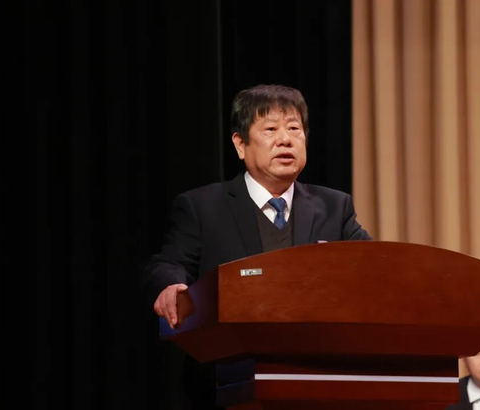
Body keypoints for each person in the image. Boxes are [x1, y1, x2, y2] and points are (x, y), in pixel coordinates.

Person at [145, 84, 371, 409]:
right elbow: (168, 263)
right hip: (225, 384)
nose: (285, 139)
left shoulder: (335, 207)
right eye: (270, 129)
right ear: (240, 144)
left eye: (294, 128)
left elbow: (372, 266)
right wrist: (170, 285)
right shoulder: (203, 207)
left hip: (316, 382)